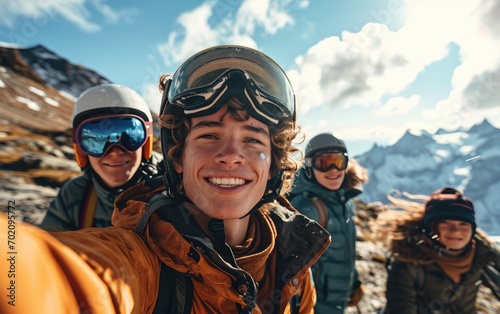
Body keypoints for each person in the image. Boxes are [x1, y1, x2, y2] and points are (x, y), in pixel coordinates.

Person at [0, 45, 331, 313]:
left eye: (253, 139)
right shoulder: (143, 257)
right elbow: (65, 277)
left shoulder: (294, 259)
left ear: (274, 164)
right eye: (209, 136)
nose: (231, 155)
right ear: (178, 159)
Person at [40, 84, 161, 230]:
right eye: (97, 140)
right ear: (81, 149)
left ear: (146, 142)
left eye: (129, 137)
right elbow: (50, 247)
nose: (115, 152)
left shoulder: (177, 183)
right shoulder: (75, 194)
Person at [377, 187, 500, 313]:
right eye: (445, 223)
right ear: (431, 228)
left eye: (463, 224)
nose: (455, 231)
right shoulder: (408, 263)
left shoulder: (481, 256)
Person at [288, 133, 368, 313]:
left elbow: (346, 248)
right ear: (309, 166)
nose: (333, 170)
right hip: (315, 304)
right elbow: (292, 270)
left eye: (338, 162)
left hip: (337, 299)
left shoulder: (344, 202)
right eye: (323, 163)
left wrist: (353, 282)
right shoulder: (306, 208)